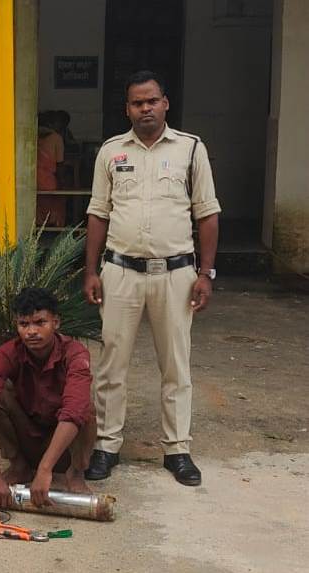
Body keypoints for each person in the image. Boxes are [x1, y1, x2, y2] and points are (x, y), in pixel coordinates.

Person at [83, 70, 221, 486]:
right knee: (112, 364)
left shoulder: (191, 149)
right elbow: (98, 213)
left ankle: (177, 449)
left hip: (175, 274)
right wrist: (91, 270)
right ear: (127, 109)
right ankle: (106, 446)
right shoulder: (111, 151)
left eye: (152, 101)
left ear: (165, 103)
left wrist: (206, 273)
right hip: (120, 272)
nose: (145, 109)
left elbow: (207, 213)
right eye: (137, 103)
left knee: (176, 365)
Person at [0, 288, 96, 508]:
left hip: (62, 445)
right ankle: (19, 466)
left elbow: (74, 410)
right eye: (24, 324)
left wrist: (45, 469)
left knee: (85, 407)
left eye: (40, 322)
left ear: (56, 322)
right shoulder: (8, 352)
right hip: (26, 438)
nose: (31, 331)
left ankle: (75, 473)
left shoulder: (75, 353)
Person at [36, 111, 66, 227]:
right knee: (52, 208)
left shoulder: (31, 135)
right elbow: (59, 164)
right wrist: (62, 182)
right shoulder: (56, 138)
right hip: (49, 181)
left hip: (32, 179)